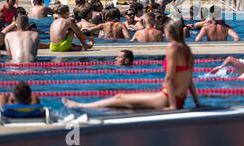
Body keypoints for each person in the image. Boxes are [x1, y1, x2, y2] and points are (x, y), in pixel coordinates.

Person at [63, 19, 201, 110]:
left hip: (166, 98)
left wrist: (172, 106)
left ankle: (81, 105)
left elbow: (170, 78)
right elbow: (189, 80)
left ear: (170, 32)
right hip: (180, 99)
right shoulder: (186, 49)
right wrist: (197, 103)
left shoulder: (173, 47)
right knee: (124, 101)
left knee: (120, 97)